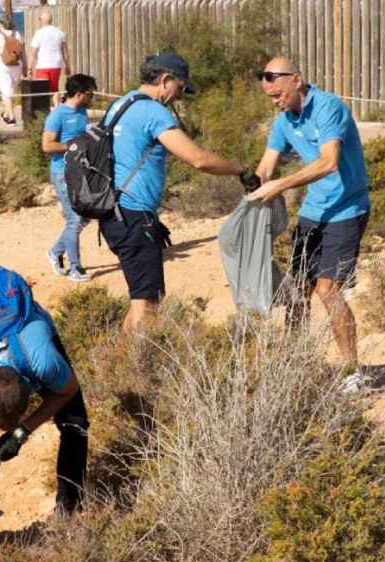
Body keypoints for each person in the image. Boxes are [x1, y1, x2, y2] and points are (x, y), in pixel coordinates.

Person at [100, 51, 252, 331]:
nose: (180, 96)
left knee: (141, 300)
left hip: (114, 214)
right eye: (181, 88)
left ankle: (117, 363)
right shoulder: (153, 112)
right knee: (149, 305)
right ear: (165, 79)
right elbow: (199, 159)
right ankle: (134, 371)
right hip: (133, 217)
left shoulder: (120, 104)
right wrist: (240, 169)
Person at [247, 57, 371, 393]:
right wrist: (254, 187)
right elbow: (267, 167)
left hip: (346, 209)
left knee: (327, 290)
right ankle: (293, 361)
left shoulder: (329, 108)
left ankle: (352, 371)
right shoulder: (284, 120)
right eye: (270, 98)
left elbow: (329, 162)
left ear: (297, 80)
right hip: (313, 211)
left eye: (278, 95)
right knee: (297, 291)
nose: (276, 102)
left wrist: (280, 186)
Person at [0, 275, 89, 523]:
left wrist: (22, 431)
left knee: (75, 422)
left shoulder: (42, 361)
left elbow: (66, 390)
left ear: (31, 388)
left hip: (28, 325)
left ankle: (69, 509)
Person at [43, 74, 97, 282]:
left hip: (81, 172)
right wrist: (71, 147)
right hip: (62, 173)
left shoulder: (82, 112)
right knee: (74, 219)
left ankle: (55, 251)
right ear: (79, 93)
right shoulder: (57, 115)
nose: (92, 98)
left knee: (85, 217)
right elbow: (47, 145)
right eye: (90, 94)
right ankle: (75, 268)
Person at [0, 14, 27, 126]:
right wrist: (25, 67)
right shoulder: (17, 34)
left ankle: (12, 118)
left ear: (0, 24)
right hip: (17, 66)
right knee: (10, 92)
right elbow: (22, 53)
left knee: (6, 92)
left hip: (3, 67)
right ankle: (6, 115)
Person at [28, 9, 71, 108]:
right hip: (56, 64)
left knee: (42, 89)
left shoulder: (39, 33)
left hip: (43, 65)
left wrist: (30, 68)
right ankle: (56, 108)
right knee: (55, 88)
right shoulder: (59, 33)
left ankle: (44, 111)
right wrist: (67, 66)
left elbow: (33, 52)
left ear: (41, 21)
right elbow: (65, 51)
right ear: (51, 20)